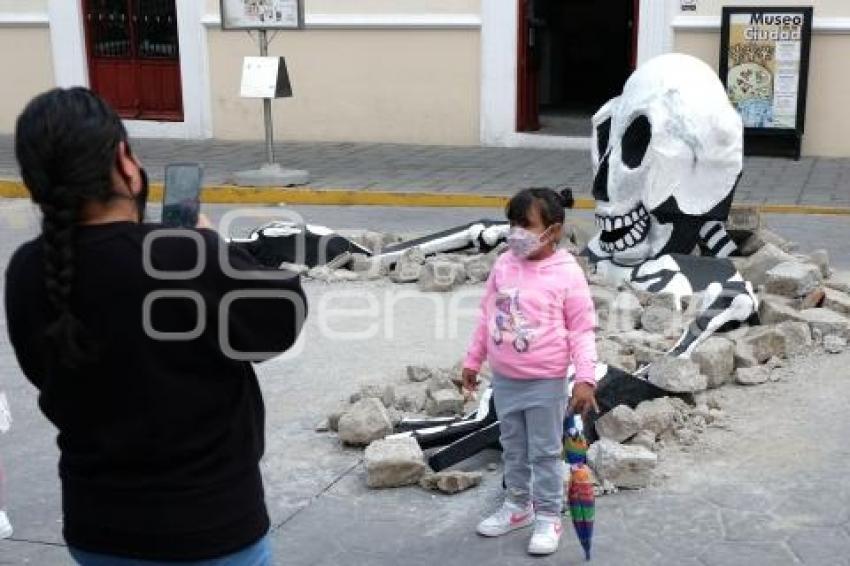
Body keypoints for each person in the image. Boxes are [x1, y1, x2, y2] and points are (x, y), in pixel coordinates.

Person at [5, 88, 307, 564]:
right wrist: (216, 245)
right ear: (123, 162)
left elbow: (40, 371)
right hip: (212, 529)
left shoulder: (26, 269)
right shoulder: (182, 256)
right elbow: (283, 318)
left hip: (95, 528)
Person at [462, 188, 598, 556]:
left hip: (545, 382)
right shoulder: (504, 264)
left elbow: (582, 329)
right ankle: (518, 506)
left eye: (526, 225)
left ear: (552, 231)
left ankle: (549, 514)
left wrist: (585, 378)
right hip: (505, 379)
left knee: (544, 452)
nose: (515, 232)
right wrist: (473, 361)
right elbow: (487, 316)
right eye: (512, 223)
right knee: (513, 448)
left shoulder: (566, 272)